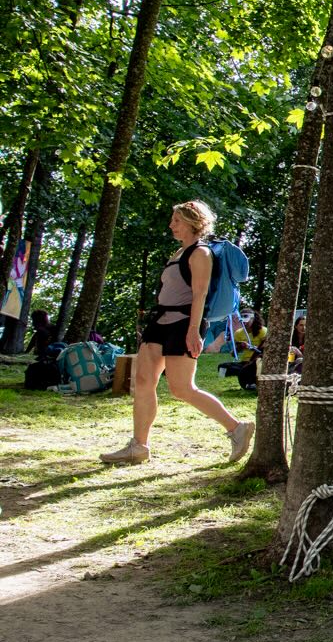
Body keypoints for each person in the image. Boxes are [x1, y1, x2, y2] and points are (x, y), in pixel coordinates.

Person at [99, 200, 254, 466]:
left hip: (183, 324)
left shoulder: (201, 253)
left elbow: (200, 294)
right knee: (144, 381)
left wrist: (193, 331)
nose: (171, 225)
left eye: (177, 220)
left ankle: (237, 428)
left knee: (182, 389)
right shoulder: (178, 252)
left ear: (193, 222)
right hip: (160, 322)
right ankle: (138, 446)